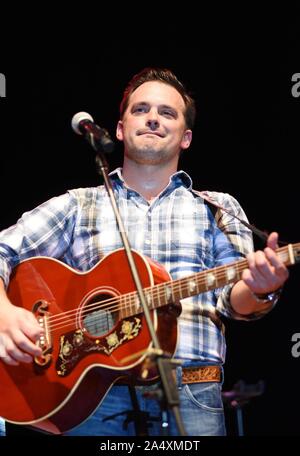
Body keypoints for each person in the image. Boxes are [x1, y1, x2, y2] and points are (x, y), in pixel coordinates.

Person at [0, 67, 289, 436]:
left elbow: (235, 303)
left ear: (185, 138)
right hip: (93, 398)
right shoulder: (79, 205)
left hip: (192, 391)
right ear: (120, 130)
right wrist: (4, 314)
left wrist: (263, 287)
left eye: (167, 113)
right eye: (141, 110)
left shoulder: (218, 208)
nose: (153, 118)